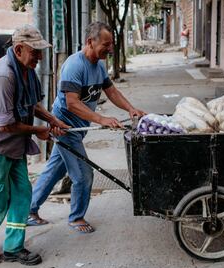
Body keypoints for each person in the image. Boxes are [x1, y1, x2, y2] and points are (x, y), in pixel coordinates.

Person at [28, 22, 145, 233]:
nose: (110, 49)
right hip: (65, 127)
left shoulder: (99, 65)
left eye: (111, 44)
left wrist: (131, 108)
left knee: (55, 168)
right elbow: (72, 103)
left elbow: (111, 91)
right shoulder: (75, 65)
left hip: (79, 128)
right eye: (106, 45)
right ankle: (76, 217)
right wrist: (101, 119)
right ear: (90, 42)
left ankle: (30, 210)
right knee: (83, 174)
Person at [0, 25, 69, 265]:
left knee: (23, 193)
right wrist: (39, 131)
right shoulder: (3, 75)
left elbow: (32, 104)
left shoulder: (26, 70)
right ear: (18, 49)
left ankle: (14, 247)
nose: (40, 57)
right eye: (35, 52)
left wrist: (53, 120)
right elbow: (5, 125)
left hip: (13, 145)